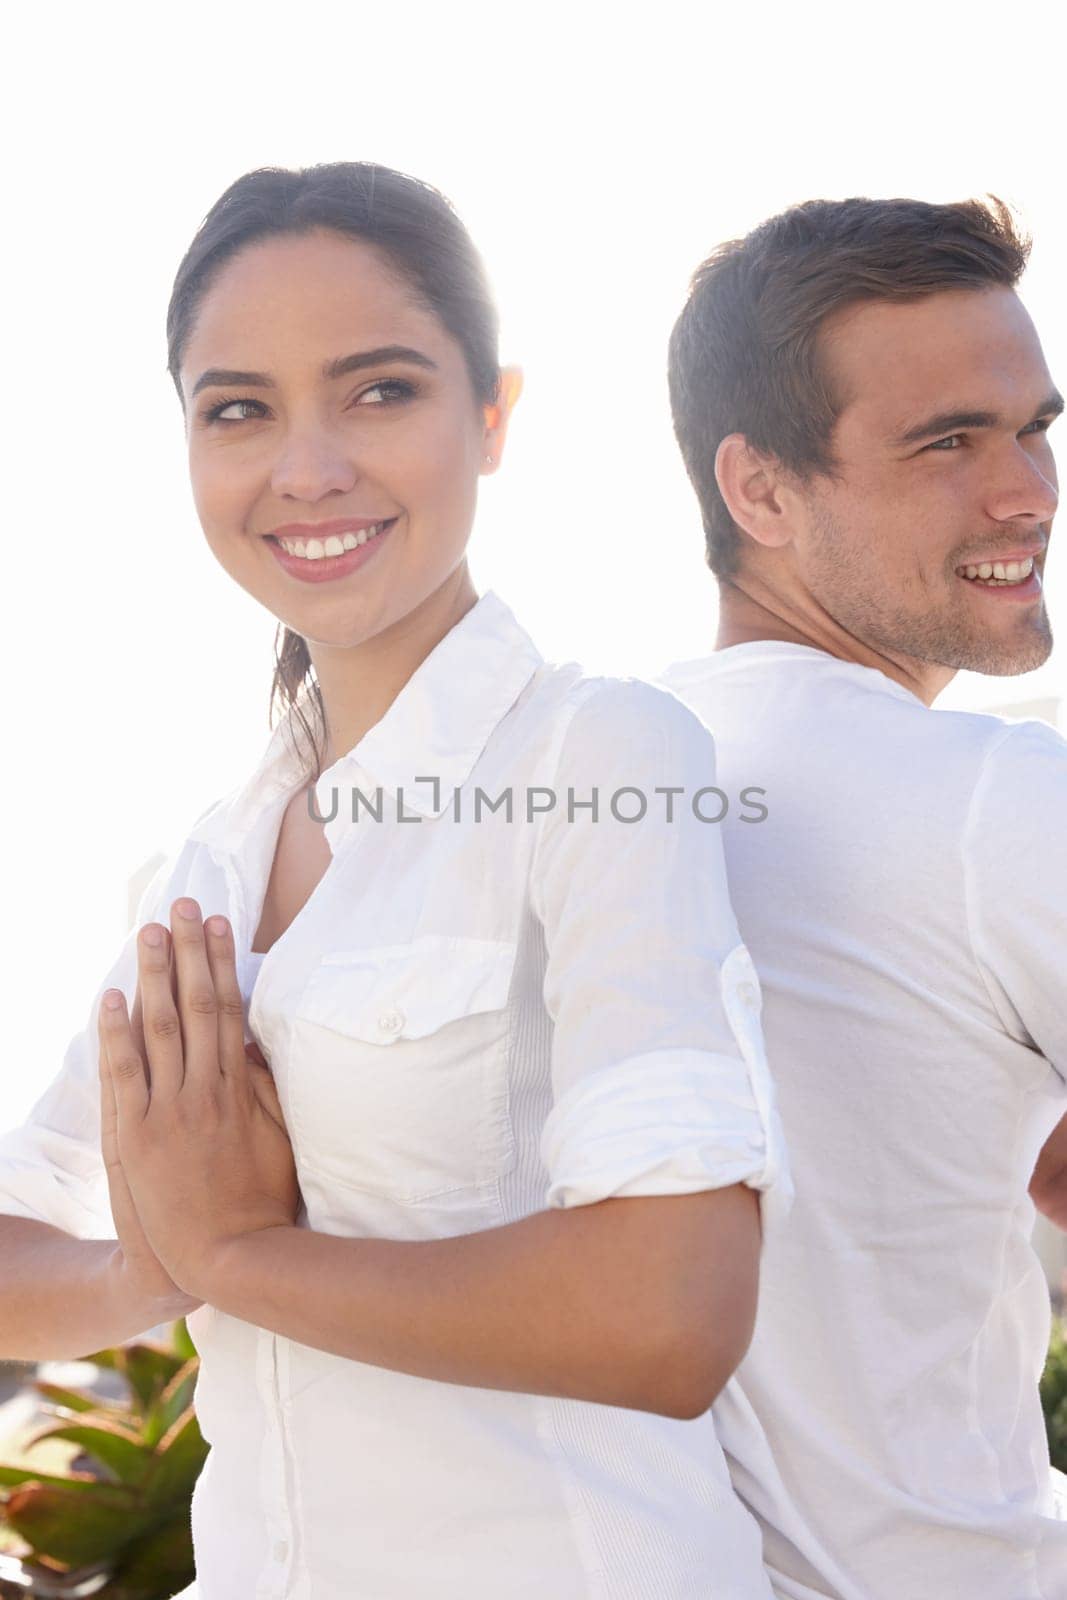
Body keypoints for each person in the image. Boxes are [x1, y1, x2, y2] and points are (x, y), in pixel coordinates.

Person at [0, 161, 790, 1599]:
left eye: (378, 391)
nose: (307, 468)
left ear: (492, 417)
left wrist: (237, 1254)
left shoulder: (599, 753)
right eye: (237, 408)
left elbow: (671, 1315)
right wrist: (150, 1271)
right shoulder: (205, 861)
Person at [661, 194, 1067, 1599]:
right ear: (759, 491)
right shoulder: (990, 799)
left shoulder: (584, 777)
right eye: (947, 441)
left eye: (1035, 427)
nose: (1027, 491)